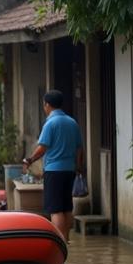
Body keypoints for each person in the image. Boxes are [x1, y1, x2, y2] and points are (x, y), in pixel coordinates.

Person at [23, 90, 84, 242]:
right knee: (66, 207)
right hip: (69, 170)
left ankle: (59, 242)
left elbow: (42, 148)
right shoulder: (72, 122)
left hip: (54, 171)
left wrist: (30, 160)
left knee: (56, 209)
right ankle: (67, 239)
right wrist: (78, 166)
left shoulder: (50, 123)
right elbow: (79, 148)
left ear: (47, 104)